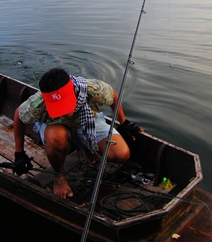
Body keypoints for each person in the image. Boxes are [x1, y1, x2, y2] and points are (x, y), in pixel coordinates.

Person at [12, 67, 143, 199]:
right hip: (55, 126)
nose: (65, 112)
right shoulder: (37, 103)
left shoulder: (94, 90)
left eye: (65, 104)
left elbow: (113, 95)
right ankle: (59, 176)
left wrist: (124, 122)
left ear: (74, 91)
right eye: (58, 107)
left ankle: (87, 147)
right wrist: (19, 153)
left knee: (121, 154)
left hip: (86, 120)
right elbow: (19, 114)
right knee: (56, 137)